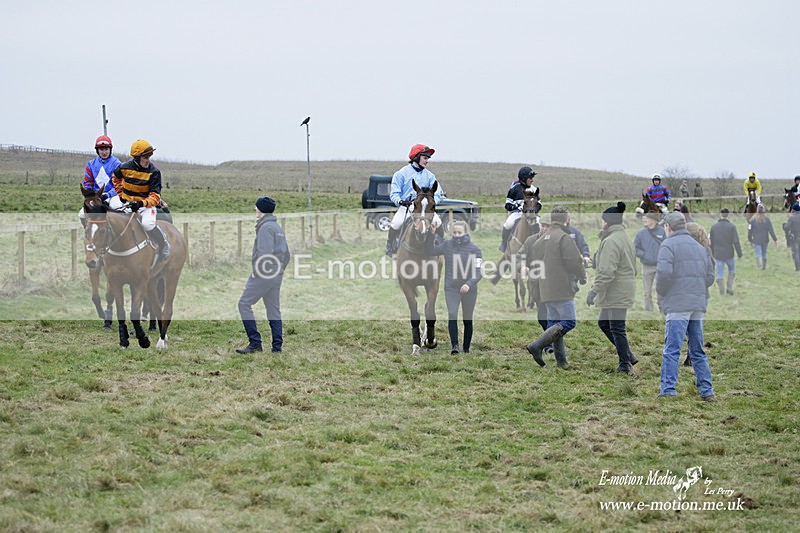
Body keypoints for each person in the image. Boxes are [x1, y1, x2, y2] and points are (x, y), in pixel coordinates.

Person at [656, 211, 716, 401]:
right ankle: (707, 392)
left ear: (668, 227)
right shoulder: (699, 247)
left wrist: (663, 294)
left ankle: (668, 390)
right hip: (697, 304)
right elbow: (709, 277)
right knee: (697, 350)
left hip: (677, 304)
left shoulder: (667, 245)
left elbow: (663, 276)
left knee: (671, 349)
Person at [525, 206, 586, 369]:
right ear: (566, 220)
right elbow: (574, 262)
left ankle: (561, 362)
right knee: (569, 322)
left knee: (554, 325)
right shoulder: (564, 238)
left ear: (552, 220)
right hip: (561, 288)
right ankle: (537, 345)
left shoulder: (538, 241)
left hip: (545, 289)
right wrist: (582, 275)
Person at [586, 202, 638, 374]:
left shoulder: (611, 241)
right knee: (604, 323)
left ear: (607, 222)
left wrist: (594, 290)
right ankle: (628, 355)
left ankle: (625, 365)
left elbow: (607, 271)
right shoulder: (624, 238)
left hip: (616, 289)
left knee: (617, 327)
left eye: (603, 221)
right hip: (622, 287)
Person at [236, 196, 290, 354]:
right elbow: (287, 255)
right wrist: (279, 271)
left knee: (244, 304)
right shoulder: (277, 227)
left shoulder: (265, 228)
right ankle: (277, 347)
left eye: (256, 207)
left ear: (262, 210)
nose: (255, 209)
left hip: (264, 274)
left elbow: (264, 253)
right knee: (274, 311)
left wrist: (258, 271)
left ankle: (255, 343)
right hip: (276, 274)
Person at [109, 139, 170, 262]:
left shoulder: (154, 172)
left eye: (149, 156)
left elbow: (155, 197)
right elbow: (115, 178)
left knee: (147, 224)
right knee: (109, 213)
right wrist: (121, 194)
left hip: (145, 206)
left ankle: (164, 244)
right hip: (126, 202)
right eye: (145, 157)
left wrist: (141, 203)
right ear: (137, 158)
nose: (148, 160)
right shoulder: (124, 167)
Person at [427, 220, 482, 354]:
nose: (457, 235)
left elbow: (479, 272)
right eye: (455, 232)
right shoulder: (446, 245)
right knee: (452, 314)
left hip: (469, 289)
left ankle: (466, 347)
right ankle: (455, 346)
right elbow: (430, 250)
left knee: (467, 318)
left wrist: (468, 284)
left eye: (460, 232)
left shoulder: (475, 249)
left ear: (465, 232)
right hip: (451, 288)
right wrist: (431, 234)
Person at [386, 144, 444, 256]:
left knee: (438, 222)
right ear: (417, 157)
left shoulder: (430, 176)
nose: (427, 161)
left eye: (428, 159)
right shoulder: (401, 174)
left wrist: (433, 202)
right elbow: (394, 194)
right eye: (425, 158)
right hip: (407, 206)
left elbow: (437, 193)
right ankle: (390, 246)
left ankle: (442, 245)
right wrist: (400, 201)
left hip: (425, 207)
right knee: (395, 224)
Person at [79, 135, 120, 225]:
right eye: (101, 150)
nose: (104, 152)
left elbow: (119, 185)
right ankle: (90, 234)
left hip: (113, 195)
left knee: (115, 207)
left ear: (110, 150)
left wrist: (108, 195)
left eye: (106, 149)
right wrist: (91, 195)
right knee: (82, 214)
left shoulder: (116, 164)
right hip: (96, 196)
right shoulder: (91, 164)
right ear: (97, 151)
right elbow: (88, 183)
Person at [500, 166, 537, 251]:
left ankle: (538, 243)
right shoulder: (514, 189)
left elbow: (539, 204)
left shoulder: (534, 189)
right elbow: (508, 204)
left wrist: (534, 208)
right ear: (523, 179)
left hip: (531, 213)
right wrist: (516, 207)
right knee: (508, 224)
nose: (532, 180)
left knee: (539, 223)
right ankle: (504, 243)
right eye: (530, 178)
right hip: (517, 213)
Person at [634, 211, 665, 311]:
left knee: (660, 290)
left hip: (660, 266)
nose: (645, 220)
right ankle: (648, 311)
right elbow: (635, 248)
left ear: (653, 221)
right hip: (646, 266)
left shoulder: (663, 232)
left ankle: (662, 309)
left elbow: (668, 247)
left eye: (647, 218)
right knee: (647, 292)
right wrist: (643, 255)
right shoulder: (641, 233)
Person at [709, 208, 743, 295]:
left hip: (718, 254)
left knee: (720, 272)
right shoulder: (732, 227)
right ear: (728, 215)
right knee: (732, 269)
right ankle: (729, 287)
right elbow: (736, 241)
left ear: (720, 214)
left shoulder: (714, 227)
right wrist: (739, 254)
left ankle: (721, 291)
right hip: (729, 253)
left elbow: (711, 242)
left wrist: (712, 253)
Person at [747, 204, 778, 269]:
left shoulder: (752, 220)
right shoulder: (767, 219)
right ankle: (764, 266)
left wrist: (750, 239)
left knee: (758, 253)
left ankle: (760, 266)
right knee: (764, 253)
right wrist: (775, 239)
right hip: (765, 239)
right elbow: (771, 230)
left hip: (756, 239)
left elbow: (750, 230)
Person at [785, 204, 800, 271]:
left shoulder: (791, 218)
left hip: (795, 237)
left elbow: (786, 227)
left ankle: (798, 268)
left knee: (796, 252)